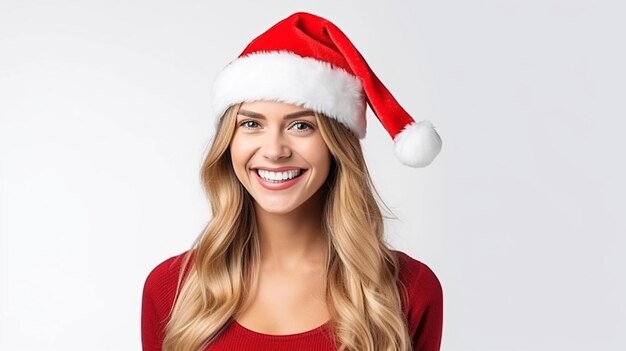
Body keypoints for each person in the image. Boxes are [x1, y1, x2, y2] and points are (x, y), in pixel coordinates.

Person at [141, 11, 443, 351]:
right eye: (251, 124)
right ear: (229, 142)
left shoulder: (409, 290)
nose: (273, 150)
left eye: (301, 125)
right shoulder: (171, 289)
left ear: (336, 145)